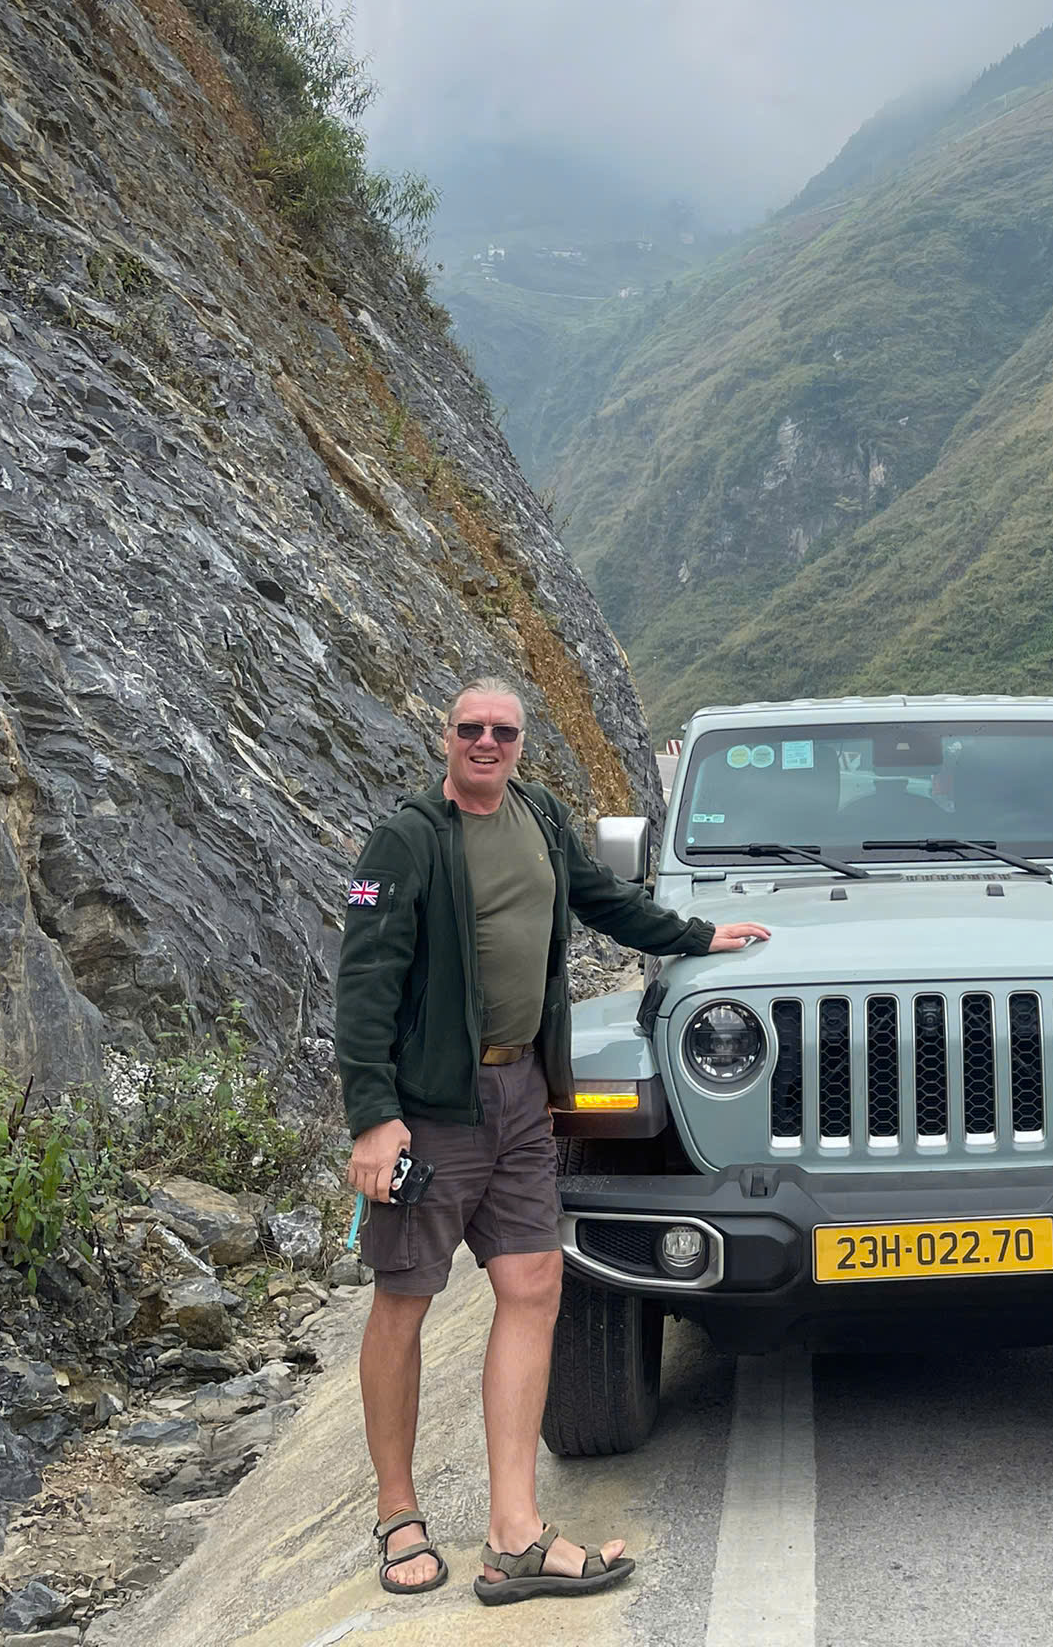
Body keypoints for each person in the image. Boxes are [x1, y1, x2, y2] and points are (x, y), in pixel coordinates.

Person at [334, 677, 771, 1603]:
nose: (486, 742)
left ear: (521, 744)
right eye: (470, 730)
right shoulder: (407, 838)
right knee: (404, 1300)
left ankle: (514, 1534)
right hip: (432, 1107)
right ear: (446, 738)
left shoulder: (537, 815)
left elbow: (603, 898)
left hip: (524, 1091)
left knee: (534, 1284)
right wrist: (374, 1117)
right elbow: (363, 983)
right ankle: (398, 1511)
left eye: (503, 730)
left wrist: (699, 935)